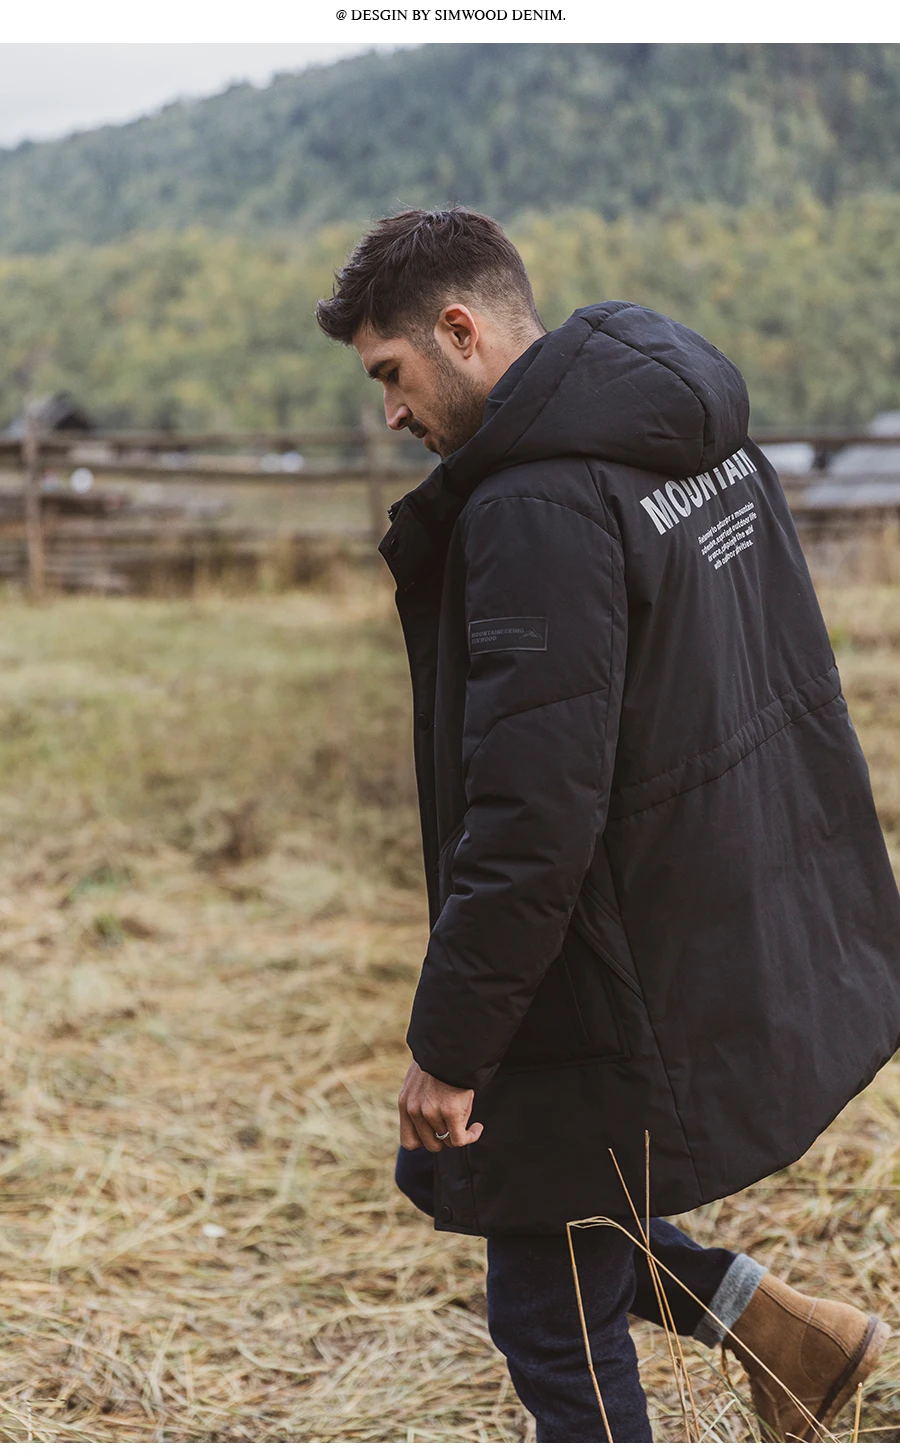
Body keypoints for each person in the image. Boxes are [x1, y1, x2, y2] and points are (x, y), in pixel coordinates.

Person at [316, 207, 900, 1442]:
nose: (392, 414)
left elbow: (532, 813)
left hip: (602, 960)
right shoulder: (692, 436)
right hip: (692, 911)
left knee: (546, 1310)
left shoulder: (537, 506)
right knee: (506, 1182)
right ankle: (786, 1331)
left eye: (391, 374)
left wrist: (452, 1045)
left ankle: (783, 1335)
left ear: (461, 330)